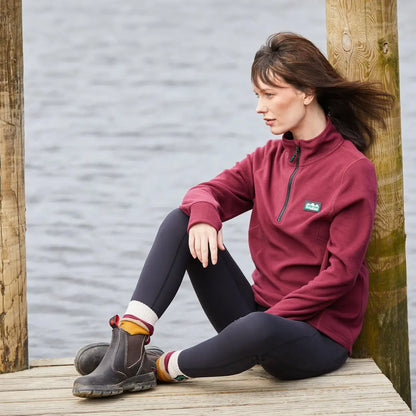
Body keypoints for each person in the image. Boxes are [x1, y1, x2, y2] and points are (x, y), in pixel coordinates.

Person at [72, 32, 393, 398]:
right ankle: (130, 342)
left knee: (257, 329)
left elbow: (340, 275)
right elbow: (202, 192)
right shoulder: (266, 159)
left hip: (315, 336)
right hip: (254, 315)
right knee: (182, 221)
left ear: (307, 92)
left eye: (270, 95)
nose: (260, 107)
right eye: (258, 96)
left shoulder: (352, 170)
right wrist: (207, 215)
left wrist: (269, 318)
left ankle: (154, 366)